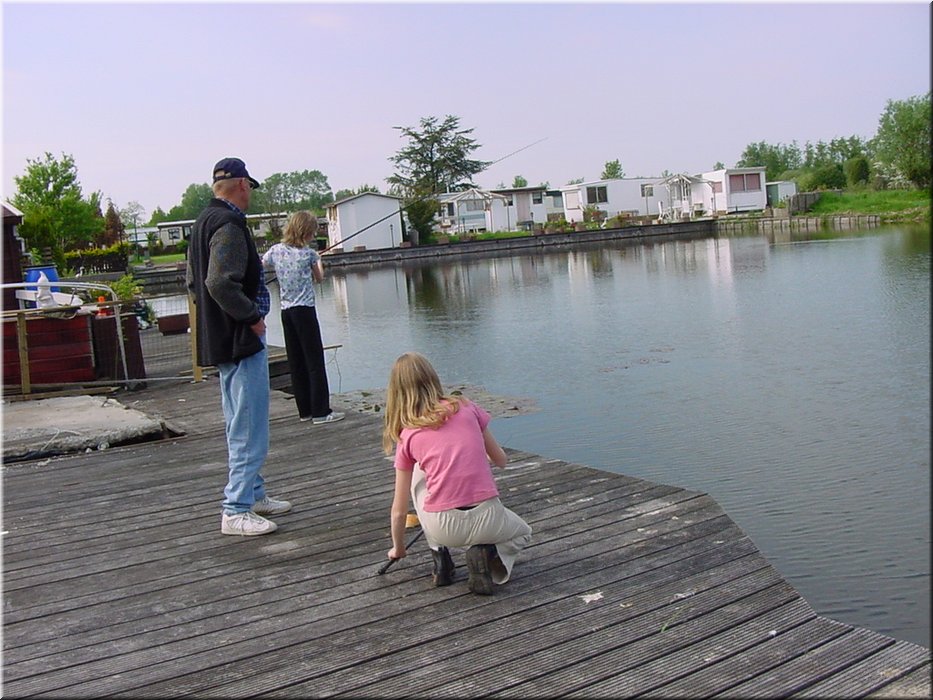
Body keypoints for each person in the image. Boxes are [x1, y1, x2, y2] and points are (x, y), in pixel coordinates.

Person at [186, 157, 291, 537]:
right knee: (249, 424)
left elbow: (192, 283)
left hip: (222, 339)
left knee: (238, 419)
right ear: (243, 185)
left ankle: (254, 493)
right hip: (241, 339)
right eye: (250, 188)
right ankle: (236, 509)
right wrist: (250, 317)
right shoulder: (229, 224)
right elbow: (218, 282)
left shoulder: (202, 222)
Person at [382, 352, 532, 595]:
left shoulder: (407, 435)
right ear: (433, 378)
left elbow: (399, 511)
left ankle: (440, 558)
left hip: (443, 528)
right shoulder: (466, 407)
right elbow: (501, 461)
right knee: (523, 533)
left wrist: (398, 548)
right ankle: (488, 554)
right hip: (489, 518)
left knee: (418, 473)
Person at [261, 211, 344, 425]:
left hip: (286, 312)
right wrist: (319, 261)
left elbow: (261, 265)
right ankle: (321, 412)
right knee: (314, 361)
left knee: (296, 361)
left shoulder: (275, 250)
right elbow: (319, 278)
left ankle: (305, 411)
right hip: (305, 311)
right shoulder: (309, 254)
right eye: (313, 231)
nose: (314, 235)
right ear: (306, 232)